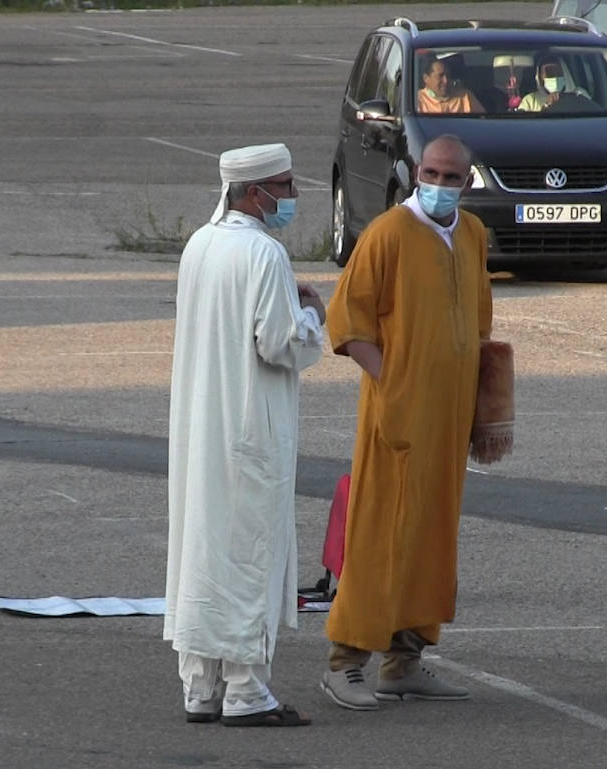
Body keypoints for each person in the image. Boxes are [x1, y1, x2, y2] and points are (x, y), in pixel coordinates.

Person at [318, 135, 493, 711]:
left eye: (452, 177)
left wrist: (483, 409)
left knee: (430, 537)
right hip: (397, 417)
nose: (440, 185)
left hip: (447, 421)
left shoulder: (470, 236)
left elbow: (478, 328)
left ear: (468, 182)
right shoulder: (388, 233)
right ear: (417, 170)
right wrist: (390, 382)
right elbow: (348, 322)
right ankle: (345, 663)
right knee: (380, 534)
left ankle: (405, 660)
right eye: (433, 172)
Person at [164, 143, 326, 728]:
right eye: (285, 185)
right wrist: (313, 315)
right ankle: (246, 692)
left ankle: (200, 687)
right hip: (248, 433)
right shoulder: (264, 253)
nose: (292, 196)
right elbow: (280, 342)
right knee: (248, 560)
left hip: (202, 430)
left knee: (204, 554)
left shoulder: (199, 245)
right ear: (255, 192)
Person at [515, 55, 590, 112]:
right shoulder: (530, 101)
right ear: (540, 77)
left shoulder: (579, 94)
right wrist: (547, 106)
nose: (555, 77)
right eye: (549, 74)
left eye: (558, 72)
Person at [417, 57, 486, 114]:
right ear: (426, 78)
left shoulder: (465, 96)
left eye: (448, 75)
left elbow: (483, 123)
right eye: (440, 76)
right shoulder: (416, 101)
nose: (446, 80)